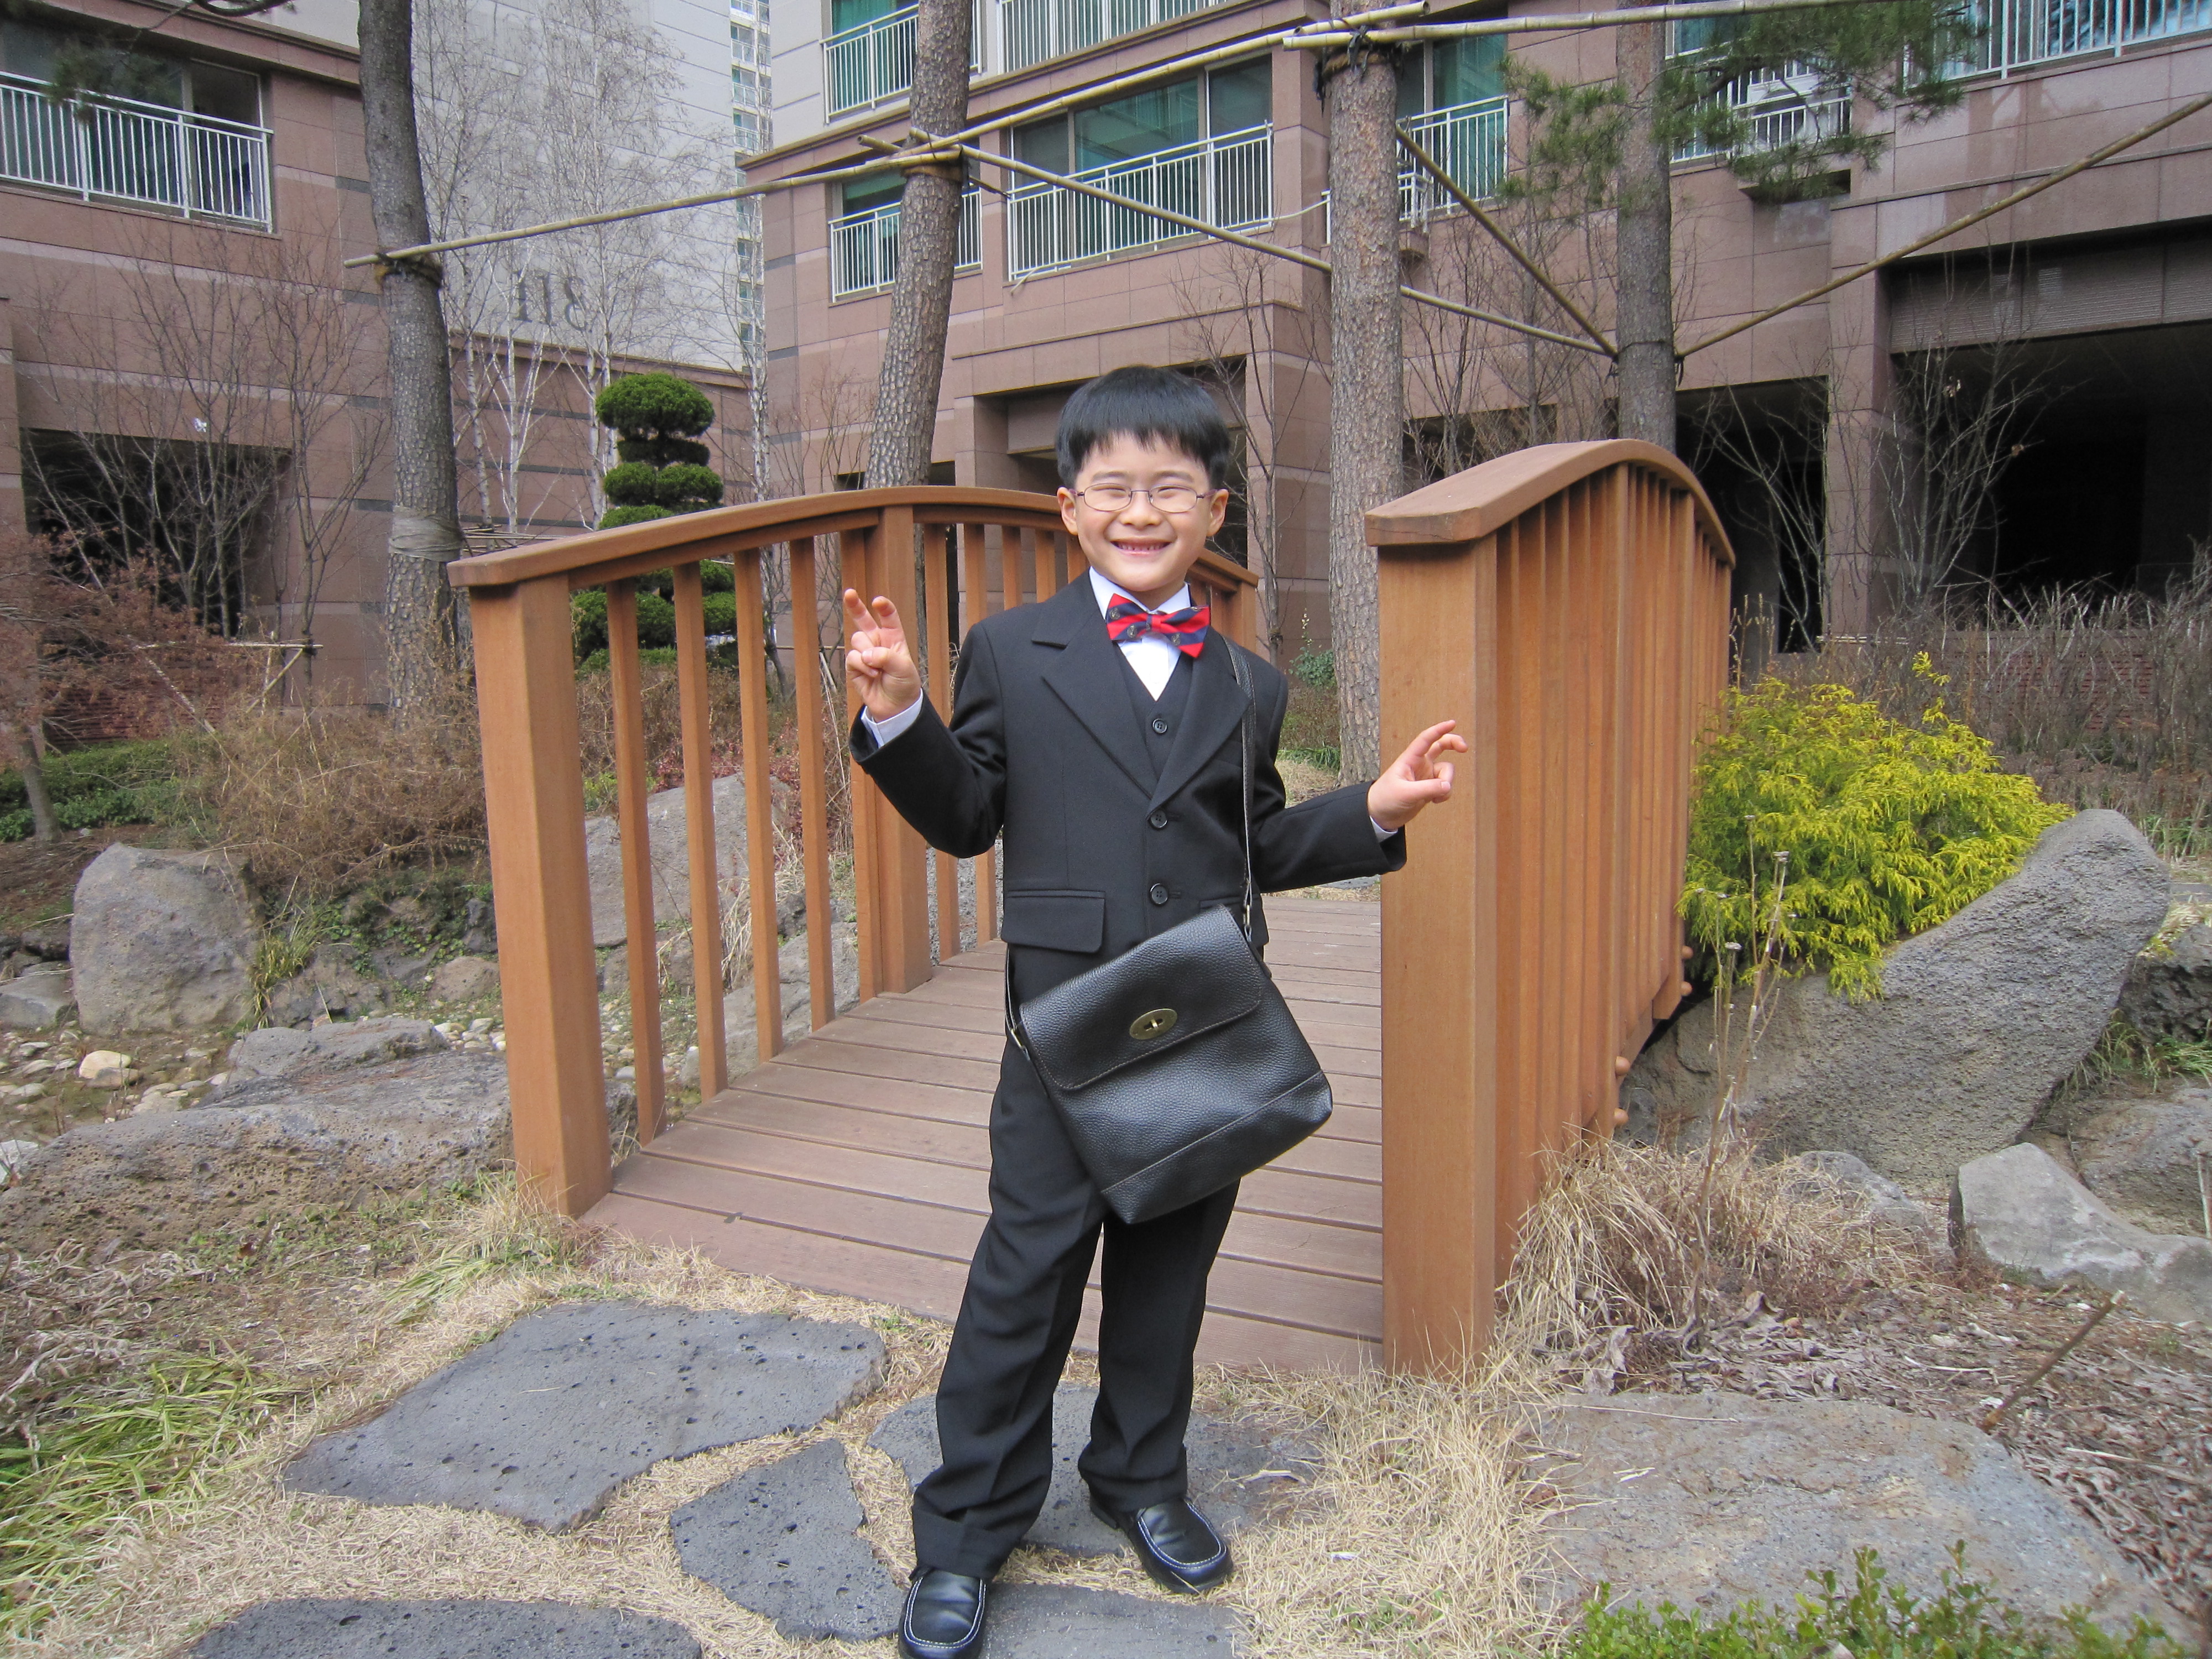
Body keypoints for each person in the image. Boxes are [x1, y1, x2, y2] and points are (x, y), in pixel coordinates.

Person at [843, 364, 1465, 1659]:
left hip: (1197, 1022)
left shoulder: (1247, 683)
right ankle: (965, 1529)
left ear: (1213, 510)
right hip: (1062, 1028)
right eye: (1113, 487)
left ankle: (1139, 1478)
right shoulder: (1010, 650)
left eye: (1170, 488)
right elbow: (967, 817)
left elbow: (1255, 844)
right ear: (1068, 507)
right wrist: (899, 711)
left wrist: (1372, 810)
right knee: (1024, 1276)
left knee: (1169, 1274)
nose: (1141, 510)